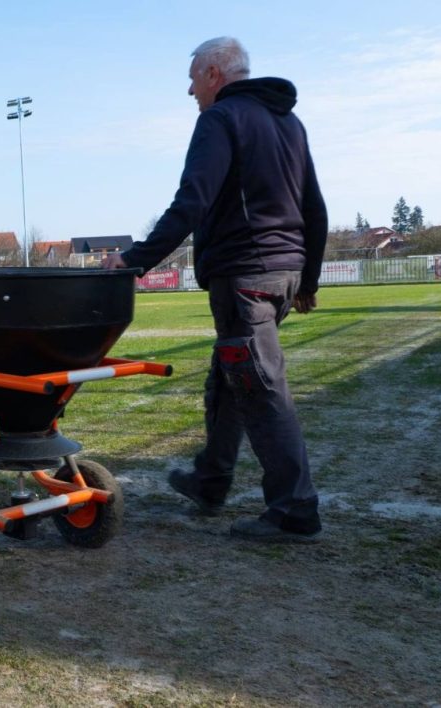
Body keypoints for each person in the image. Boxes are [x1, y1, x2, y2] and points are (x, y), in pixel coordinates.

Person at [102, 37, 327, 543]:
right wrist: (306, 280)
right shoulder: (289, 123)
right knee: (232, 377)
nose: (188, 91)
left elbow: (192, 202)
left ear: (213, 75)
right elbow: (314, 207)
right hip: (282, 274)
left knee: (261, 388)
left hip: (245, 276)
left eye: (192, 78)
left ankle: (295, 509)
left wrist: (134, 259)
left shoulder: (220, 120)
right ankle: (211, 480)